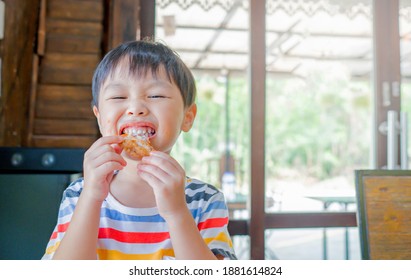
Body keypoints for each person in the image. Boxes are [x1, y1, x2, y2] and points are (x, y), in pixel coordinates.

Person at [41, 38, 237, 260]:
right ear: (99, 117)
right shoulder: (78, 195)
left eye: (156, 95)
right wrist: (92, 196)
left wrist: (177, 213)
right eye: (118, 97)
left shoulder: (205, 200)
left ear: (188, 117)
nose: (135, 108)